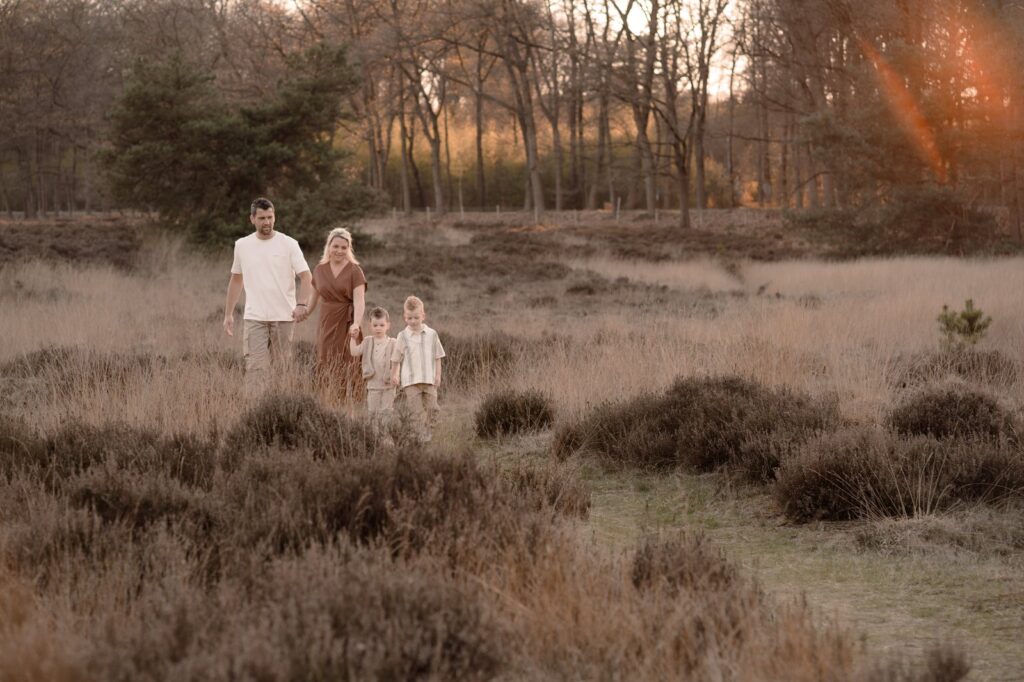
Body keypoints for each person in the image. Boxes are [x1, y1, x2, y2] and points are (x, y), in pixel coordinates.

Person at [223, 197, 311, 392]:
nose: (267, 222)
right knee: (255, 369)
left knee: (282, 369)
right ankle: (255, 414)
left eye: (270, 217)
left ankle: (281, 412)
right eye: (262, 218)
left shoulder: (289, 244)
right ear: (252, 219)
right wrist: (228, 314)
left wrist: (302, 304)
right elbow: (236, 280)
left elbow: (306, 277)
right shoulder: (242, 245)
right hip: (255, 318)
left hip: (284, 317)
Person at [299, 227, 367, 407]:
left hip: (348, 321)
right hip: (327, 321)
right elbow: (313, 300)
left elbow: (360, 301)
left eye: (344, 247)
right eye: (335, 246)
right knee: (326, 359)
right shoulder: (320, 270)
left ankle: (350, 405)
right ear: (328, 246)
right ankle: (329, 403)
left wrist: (357, 324)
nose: (339, 251)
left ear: (349, 249)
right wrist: (302, 312)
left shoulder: (355, 271)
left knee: (348, 361)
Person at [390, 295, 445, 442]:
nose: (413, 321)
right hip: (411, 381)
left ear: (423, 316)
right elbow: (396, 358)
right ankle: (420, 437)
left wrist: (438, 375)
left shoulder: (432, 334)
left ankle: (431, 433)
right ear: (404, 317)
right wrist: (395, 374)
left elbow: (438, 356)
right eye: (409, 318)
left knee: (433, 409)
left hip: (429, 379)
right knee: (416, 411)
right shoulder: (402, 336)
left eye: (416, 317)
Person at [349, 306, 397, 431]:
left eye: (382, 325)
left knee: (386, 413)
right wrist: (353, 338)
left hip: (388, 385)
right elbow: (354, 352)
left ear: (388, 325)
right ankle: (374, 437)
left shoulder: (393, 343)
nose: (378, 328)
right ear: (370, 326)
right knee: (373, 413)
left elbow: (400, 360)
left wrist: (396, 375)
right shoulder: (367, 341)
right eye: (375, 325)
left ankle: (385, 436)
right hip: (373, 385)